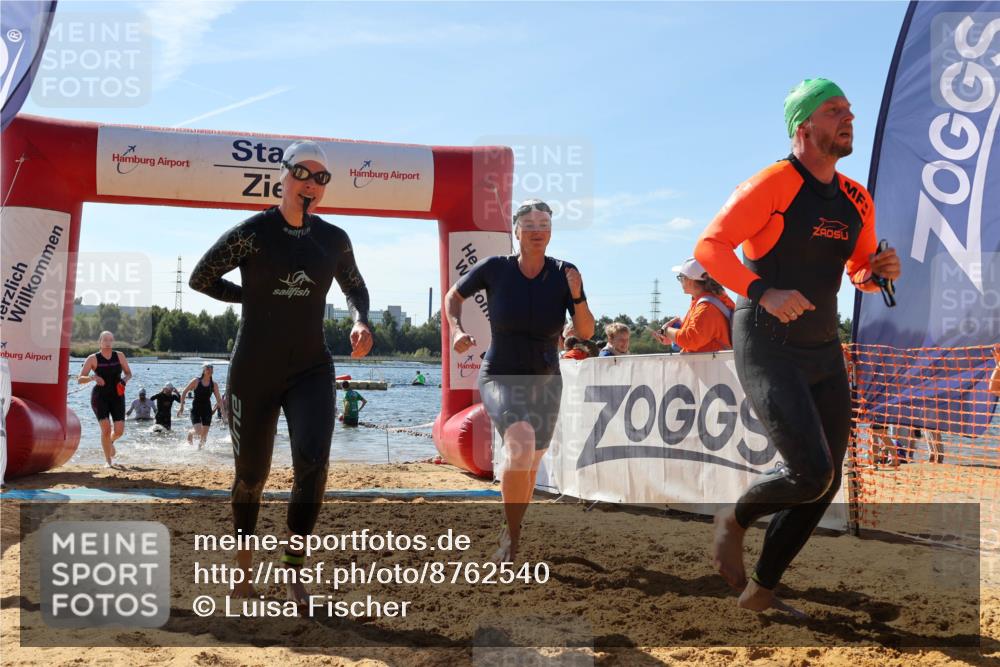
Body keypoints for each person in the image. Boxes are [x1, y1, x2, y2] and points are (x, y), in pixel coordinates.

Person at [694, 78, 901, 615]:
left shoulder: (857, 198)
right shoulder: (771, 184)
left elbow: (857, 269)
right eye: (835, 110)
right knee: (808, 471)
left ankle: (761, 589)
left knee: (824, 480)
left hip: (822, 346)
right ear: (803, 127)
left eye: (850, 109)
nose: (848, 117)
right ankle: (732, 519)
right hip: (768, 343)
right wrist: (763, 291)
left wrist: (876, 274)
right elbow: (708, 248)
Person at [189, 139, 373, 604]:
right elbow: (200, 277)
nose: (310, 183)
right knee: (251, 475)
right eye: (302, 173)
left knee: (313, 465)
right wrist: (247, 297)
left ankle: (293, 570)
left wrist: (360, 321)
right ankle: (244, 569)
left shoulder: (333, 240)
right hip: (254, 368)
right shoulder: (254, 232)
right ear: (283, 177)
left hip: (312, 367)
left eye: (320, 178)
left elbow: (356, 288)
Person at [445, 198, 595, 562]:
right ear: (516, 231)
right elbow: (453, 297)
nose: (537, 231)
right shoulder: (496, 268)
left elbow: (587, 330)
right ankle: (513, 540)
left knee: (530, 464)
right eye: (529, 225)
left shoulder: (565, 272)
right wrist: (456, 331)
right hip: (501, 374)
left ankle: (509, 530)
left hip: (546, 380)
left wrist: (576, 296)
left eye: (544, 225)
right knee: (521, 440)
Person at [654, 257, 735, 353]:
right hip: (710, 364)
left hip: (710, 366)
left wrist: (666, 330)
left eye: (681, 277)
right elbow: (698, 338)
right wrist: (673, 336)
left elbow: (690, 340)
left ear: (690, 280)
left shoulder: (706, 307)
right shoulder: (706, 302)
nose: (680, 281)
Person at [77, 331, 133, 468]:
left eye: (110, 340)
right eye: (105, 340)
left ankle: (110, 442)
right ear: (100, 342)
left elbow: (128, 373)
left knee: (119, 431)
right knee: (106, 429)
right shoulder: (92, 358)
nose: (108, 342)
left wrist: (124, 381)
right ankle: (108, 461)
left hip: (117, 396)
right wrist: (93, 378)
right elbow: (80, 379)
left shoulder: (119, 356)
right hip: (100, 397)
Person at [178, 364, 224, 448]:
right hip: (196, 409)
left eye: (211, 370)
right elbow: (184, 392)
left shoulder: (214, 384)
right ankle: (191, 433)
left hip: (207, 410)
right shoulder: (196, 381)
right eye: (208, 370)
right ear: (204, 371)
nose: (210, 371)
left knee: (204, 437)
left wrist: (223, 413)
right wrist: (181, 407)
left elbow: (219, 400)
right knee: (199, 432)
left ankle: (200, 454)